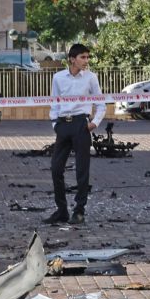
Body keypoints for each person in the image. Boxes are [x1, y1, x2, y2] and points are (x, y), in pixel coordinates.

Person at [46, 43, 104, 224]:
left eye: (88, 57)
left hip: (81, 124)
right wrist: (55, 123)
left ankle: (79, 210)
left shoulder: (91, 78)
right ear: (72, 59)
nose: (86, 61)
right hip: (63, 125)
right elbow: (54, 102)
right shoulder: (58, 77)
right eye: (82, 57)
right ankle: (61, 210)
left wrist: (94, 123)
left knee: (82, 170)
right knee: (56, 168)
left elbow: (101, 103)